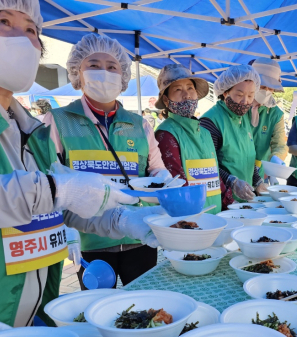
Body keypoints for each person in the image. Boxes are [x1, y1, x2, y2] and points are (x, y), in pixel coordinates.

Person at [0, 0, 159, 329]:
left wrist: (122, 221)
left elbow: (60, 206)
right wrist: (55, 189)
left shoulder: (28, 129)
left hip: (36, 313)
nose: (23, 39)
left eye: (30, 30)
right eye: (3, 21)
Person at [43, 34, 170, 290]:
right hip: (89, 240)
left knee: (146, 306)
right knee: (99, 312)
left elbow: (157, 170)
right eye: (93, 65)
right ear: (77, 72)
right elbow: (48, 181)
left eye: (112, 67)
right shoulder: (56, 121)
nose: (103, 72)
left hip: (139, 234)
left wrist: (166, 185)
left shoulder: (140, 124)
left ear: (122, 75)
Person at [153, 64, 227, 213]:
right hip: (192, 221)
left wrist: (231, 206)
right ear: (167, 101)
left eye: (190, 88)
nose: (186, 95)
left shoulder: (204, 132)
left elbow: (214, 175)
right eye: (178, 90)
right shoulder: (166, 134)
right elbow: (176, 184)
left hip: (215, 217)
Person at [200, 65, 264, 203]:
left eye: (250, 96)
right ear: (225, 92)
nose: (245, 101)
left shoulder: (244, 117)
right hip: (224, 201)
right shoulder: (211, 121)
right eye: (239, 95)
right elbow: (207, 166)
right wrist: (232, 182)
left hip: (245, 200)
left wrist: (257, 181)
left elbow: (247, 156)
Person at [248, 58, 288, 176]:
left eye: (270, 88)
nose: (266, 91)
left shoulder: (275, 114)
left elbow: (280, 144)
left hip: (260, 173)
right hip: (235, 170)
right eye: (262, 86)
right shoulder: (241, 107)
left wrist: (276, 158)